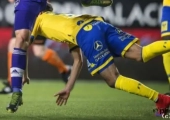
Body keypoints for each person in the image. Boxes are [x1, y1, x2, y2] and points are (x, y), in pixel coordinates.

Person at [18, 11, 170, 115]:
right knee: (141, 53)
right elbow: (78, 61)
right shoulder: (62, 20)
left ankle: (162, 100)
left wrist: (24, 75)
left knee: (113, 79)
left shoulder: (36, 20)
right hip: (97, 24)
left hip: (87, 34)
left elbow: (23, 47)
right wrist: (68, 88)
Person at [0, 0, 72, 94]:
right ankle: (12, 83)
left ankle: (64, 69)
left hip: (38, 17)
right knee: (13, 44)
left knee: (39, 51)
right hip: (23, 15)